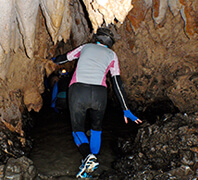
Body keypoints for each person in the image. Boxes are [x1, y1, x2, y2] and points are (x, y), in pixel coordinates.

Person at [52, 27, 142, 178]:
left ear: (96, 39)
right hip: (100, 94)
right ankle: (92, 166)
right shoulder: (112, 55)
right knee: (96, 129)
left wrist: (52, 60)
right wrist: (125, 109)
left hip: (79, 90)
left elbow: (64, 58)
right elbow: (117, 84)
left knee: (77, 130)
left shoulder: (86, 47)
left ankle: (88, 156)